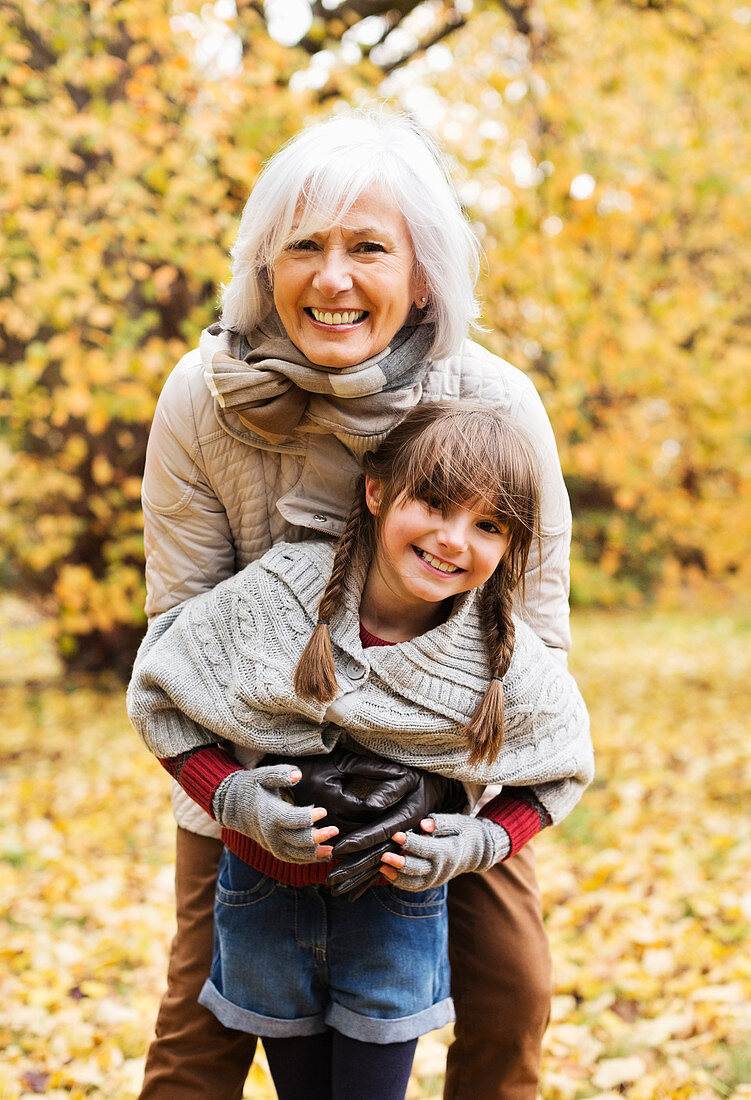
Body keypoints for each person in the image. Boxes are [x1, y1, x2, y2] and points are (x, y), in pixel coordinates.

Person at [138, 109, 573, 1100]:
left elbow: (535, 633)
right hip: (257, 759)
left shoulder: (491, 401)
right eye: (305, 247)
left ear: (420, 274)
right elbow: (175, 637)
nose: (332, 279)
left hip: (448, 759)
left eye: (367, 248)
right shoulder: (203, 400)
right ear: (265, 266)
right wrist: (234, 799)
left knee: (512, 992)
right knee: (199, 1030)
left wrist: (474, 822)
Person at [129, 403, 593, 1100]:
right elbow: (159, 692)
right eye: (433, 504)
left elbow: (561, 769)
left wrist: (481, 841)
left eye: (487, 526)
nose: (451, 539)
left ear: (508, 547)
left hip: (394, 915)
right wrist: (230, 794)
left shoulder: (501, 661)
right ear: (375, 492)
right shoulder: (283, 593)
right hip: (263, 898)